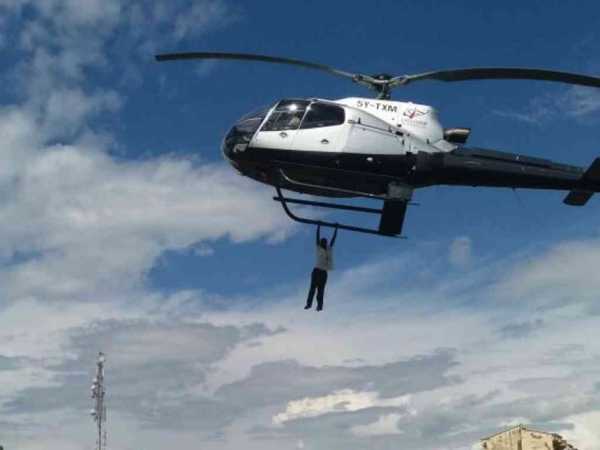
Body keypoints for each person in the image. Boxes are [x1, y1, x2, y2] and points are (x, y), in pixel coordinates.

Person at [305, 224, 338, 311]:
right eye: (322, 242)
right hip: (317, 271)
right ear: (320, 243)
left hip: (323, 273)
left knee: (321, 291)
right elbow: (317, 237)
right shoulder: (318, 248)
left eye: (325, 242)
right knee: (312, 289)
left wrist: (336, 229)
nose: (324, 243)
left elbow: (333, 240)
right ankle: (309, 304)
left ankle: (319, 306)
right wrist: (318, 226)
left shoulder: (328, 249)